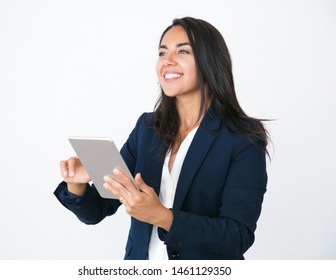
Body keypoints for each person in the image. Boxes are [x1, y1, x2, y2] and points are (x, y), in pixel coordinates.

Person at [54, 17, 269, 260]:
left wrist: (162, 217)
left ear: (210, 61)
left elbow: (237, 236)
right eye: (162, 52)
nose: (168, 61)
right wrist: (77, 183)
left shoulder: (243, 138)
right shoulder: (148, 127)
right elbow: (99, 210)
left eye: (183, 51)